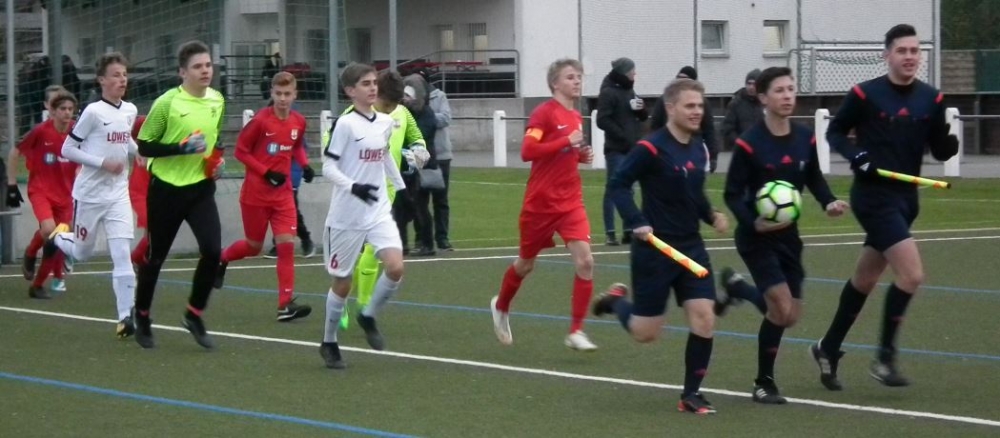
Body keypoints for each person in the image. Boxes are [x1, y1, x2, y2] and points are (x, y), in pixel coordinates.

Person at [811, 24, 959, 389]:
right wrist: (856, 155)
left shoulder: (932, 99)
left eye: (914, 51)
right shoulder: (865, 94)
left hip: (907, 200)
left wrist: (948, 145)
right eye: (902, 50)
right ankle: (885, 358)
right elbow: (834, 132)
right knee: (911, 275)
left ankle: (827, 347)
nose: (909, 57)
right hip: (873, 198)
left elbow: (939, 148)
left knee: (865, 279)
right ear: (887, 55)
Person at [592, 78, 729, 414]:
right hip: (655, 250)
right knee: (646, 333)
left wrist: (711, 215)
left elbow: (694, 193)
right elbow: (619, 185)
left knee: (705, 318)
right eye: (689, 106)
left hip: (691, 248)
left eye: (700, 106)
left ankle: (691, 394)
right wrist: (635, 220)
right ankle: (616, 302)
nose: (697, 112)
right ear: (670, 108)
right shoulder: (650, 148)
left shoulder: (698, 148)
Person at [717, 66, 849, 404]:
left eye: (791, 89)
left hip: (789, 237)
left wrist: (829, 201)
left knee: (789, 316)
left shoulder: (805, 137)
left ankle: (739, 289)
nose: (788, 95)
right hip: (756, 239)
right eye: (780, 90)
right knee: (780, 306)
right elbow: (732, 194)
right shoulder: (749, 143)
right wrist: (753, 222)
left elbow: (813, 177)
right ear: (763, 98)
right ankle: (763, 383)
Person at [489, 58, 598, 352]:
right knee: (525, 265)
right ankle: (501, 305)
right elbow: (528, 151)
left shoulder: (574, 115)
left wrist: (579, 156)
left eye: (579, 76)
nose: (577, 81)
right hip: (540, 204)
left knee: (586, 261)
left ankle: (576, 331)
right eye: (570, 77)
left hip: (570, 202)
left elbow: (565, 152)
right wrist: (566, 142)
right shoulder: (543, 113)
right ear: (555, 83)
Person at [133, 40, 227, 350]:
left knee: (213, 251)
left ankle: (194, 314)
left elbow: (214, 141)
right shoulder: (167, 103)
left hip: (200, 189)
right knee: (155, 258)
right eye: (197, 66)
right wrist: (179, 148)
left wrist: (216, 163)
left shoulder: (217, 100)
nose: (205, 71)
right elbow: (145, 145)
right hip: (166, 191)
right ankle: (142, 316)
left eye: (208, 65)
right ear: (182, 72)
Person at [318, 62, 408, 369]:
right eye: (365, 84)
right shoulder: (345, 125)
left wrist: (401, 187)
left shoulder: (385, 122)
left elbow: (383, 156)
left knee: (395, 267)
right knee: (342, 282)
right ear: (350, 91)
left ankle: (368, 315)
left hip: (377, 209)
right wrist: (353, 187)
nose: (372, 88)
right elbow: (328, 167)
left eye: (373, 83)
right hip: (347, 215)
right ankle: (329, 341)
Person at [47, 53, 139, 338]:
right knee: (82, 252)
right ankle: (59, 237)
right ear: (101, 80)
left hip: (118, 194)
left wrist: (140, 152)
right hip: (89, 195)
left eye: (124, 74)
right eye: (115, 75)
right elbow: (68, 150)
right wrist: (102, 163)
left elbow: (125, 138)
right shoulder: (93, 112)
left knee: (122, 254)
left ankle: (125, 317)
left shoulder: (130, 110)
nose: (122, 80)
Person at [215, 71, 315, 322]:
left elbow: (297, 146)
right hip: (256, 196)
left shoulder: (299, 121)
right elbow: (241, 152)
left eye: (287, 94)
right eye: (278, 93)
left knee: (286, 246)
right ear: (271, 93)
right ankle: (222, 258)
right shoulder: (260, 121)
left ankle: (285, 305)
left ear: (295, 94)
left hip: (283, 197)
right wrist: (266, 172)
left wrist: (305, 165)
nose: (282, 98)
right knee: (253, 247)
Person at [338, 69, 429, 330]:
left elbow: (418, 140)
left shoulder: (402, 114)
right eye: (386, 105)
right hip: (355, 191)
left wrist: (418, 154)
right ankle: (340, 300)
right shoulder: (350, 117)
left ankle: (364, 304)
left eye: (393, 106)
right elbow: (330, 147)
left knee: (373, 249)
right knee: (350, 252)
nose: (390, 111)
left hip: (385, 193)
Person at [6, 88, 78, 298]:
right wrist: (12, 184)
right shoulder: (41, 131)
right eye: (62, 108)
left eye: (70, 109)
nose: (67, 112)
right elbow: (15, 151)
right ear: (52, 111)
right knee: (49, 230)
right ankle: (30, 253)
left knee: (56, 239)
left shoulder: (77, 131)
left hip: (66, 195)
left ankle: (37, 285)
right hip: (41, 191)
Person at [596, 57, 648, 246]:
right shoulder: (608, 93)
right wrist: (622, 135)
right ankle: (610, 232)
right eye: (632, 71)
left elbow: (641, 117)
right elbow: (602, 120)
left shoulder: (629, 90)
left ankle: (628, 230)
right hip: (616, 149)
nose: (634, 74)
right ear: (624, 73)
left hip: (631, 148)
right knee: (613, 188)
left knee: (629, 189)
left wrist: (641, 110)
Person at [650, 66, 719, 173]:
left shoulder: (702, 102)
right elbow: (655, 126)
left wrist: (713, 155)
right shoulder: (664, 100)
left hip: (694, 149)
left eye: (684, 80)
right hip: (669, 148)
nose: (680, 82)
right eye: (678, 78)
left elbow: (709, 130)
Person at [419, 69, 454, 251]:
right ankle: (422, 239)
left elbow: (445, 118)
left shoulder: (439, 96)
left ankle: (442, 238)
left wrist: (426, 116)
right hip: (419, 155)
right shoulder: (410, 100)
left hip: (441, 155)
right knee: (420, 201)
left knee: (441, 200)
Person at [402, 74, 437, 255]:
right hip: (410, 164)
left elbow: (419, 138)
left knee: (421, 207)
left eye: (408, 96)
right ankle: (406, 243)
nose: (405, 99)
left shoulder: (426, 113)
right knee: (407, 206)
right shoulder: (408, 113)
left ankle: (426, 243)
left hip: (422, 164)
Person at [721, 68, 763, 153]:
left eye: (754, 84)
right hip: (742, 152)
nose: (751, 87)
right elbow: (727, 128)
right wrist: (740, 143)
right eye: (749, 83)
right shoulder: (736, 103)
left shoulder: (766, 103)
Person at [129, 115, 150, 268]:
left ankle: (139, 259)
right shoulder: (143, 123)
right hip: (139, 190)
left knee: (155, 229)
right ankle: (134, 259)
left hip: (155, 189)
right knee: (152, 225)